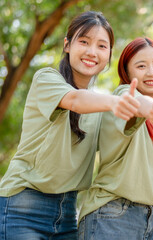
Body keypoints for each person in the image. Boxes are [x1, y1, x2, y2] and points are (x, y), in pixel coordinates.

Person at [0, 11, 140, 239]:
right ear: (67, 45)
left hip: (67, 214)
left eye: (102, 46)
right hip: (22, 206)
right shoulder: (46, 79)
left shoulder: (100, 107)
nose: (92, 52)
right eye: (84, 42)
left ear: (109, 55)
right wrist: (117, 102)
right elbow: (75, 100)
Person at [77, 37, 153, 240]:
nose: (152, 72)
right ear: (127, 72)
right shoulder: (123, 97)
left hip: (151, 219)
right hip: (113, 215)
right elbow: (137, 103)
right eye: (141, 66)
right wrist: (151, 107)